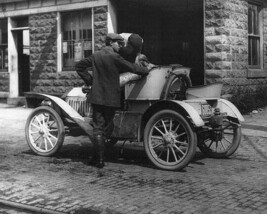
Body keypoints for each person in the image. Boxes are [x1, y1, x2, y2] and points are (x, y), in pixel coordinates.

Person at [75, 33, 149, 168]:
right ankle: (98, 159)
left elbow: (79, 66)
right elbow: (132, 68)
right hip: (112, 99)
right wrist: (145, 71)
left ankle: (99, 159)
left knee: (98, 128)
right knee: (104, 128)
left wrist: (90, 81)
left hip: (97, 97)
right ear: (110, 43)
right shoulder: (116, 57)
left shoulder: (96, 55)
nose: (121, 46)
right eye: (118, 43)